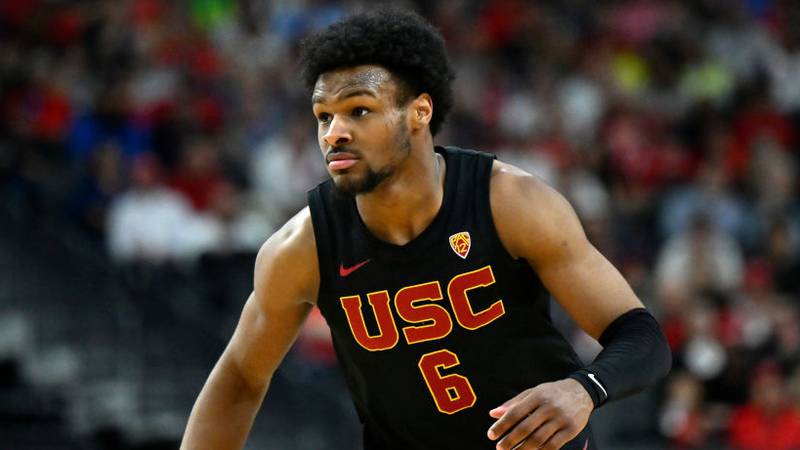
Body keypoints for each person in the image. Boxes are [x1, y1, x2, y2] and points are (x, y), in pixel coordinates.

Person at [181, 8, 671, 450]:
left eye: (359, 111)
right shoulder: (302, 246)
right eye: (323, 116)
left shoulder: (509, 202)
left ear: (419, 112)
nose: (334, 133)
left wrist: (583, 389)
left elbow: (640, 334)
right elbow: (240, 379)